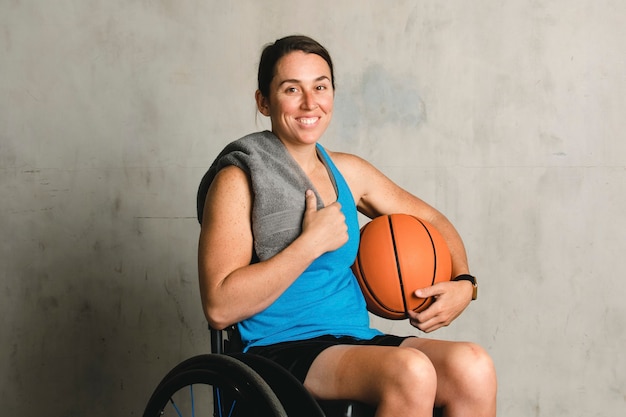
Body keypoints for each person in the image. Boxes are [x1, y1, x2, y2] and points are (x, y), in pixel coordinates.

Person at [197, 35, 497, 417]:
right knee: (412, 373)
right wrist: (310, 243)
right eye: (292, 89)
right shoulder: (238, 179)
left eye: (320, 87)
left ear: (332, 94)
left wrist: (464, 284)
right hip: (278, 349)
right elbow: (219, 307)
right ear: (264, 101)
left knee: (474, 366)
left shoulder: (349, 172)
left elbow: (434, 221)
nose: (310, 103)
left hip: (352, 340)